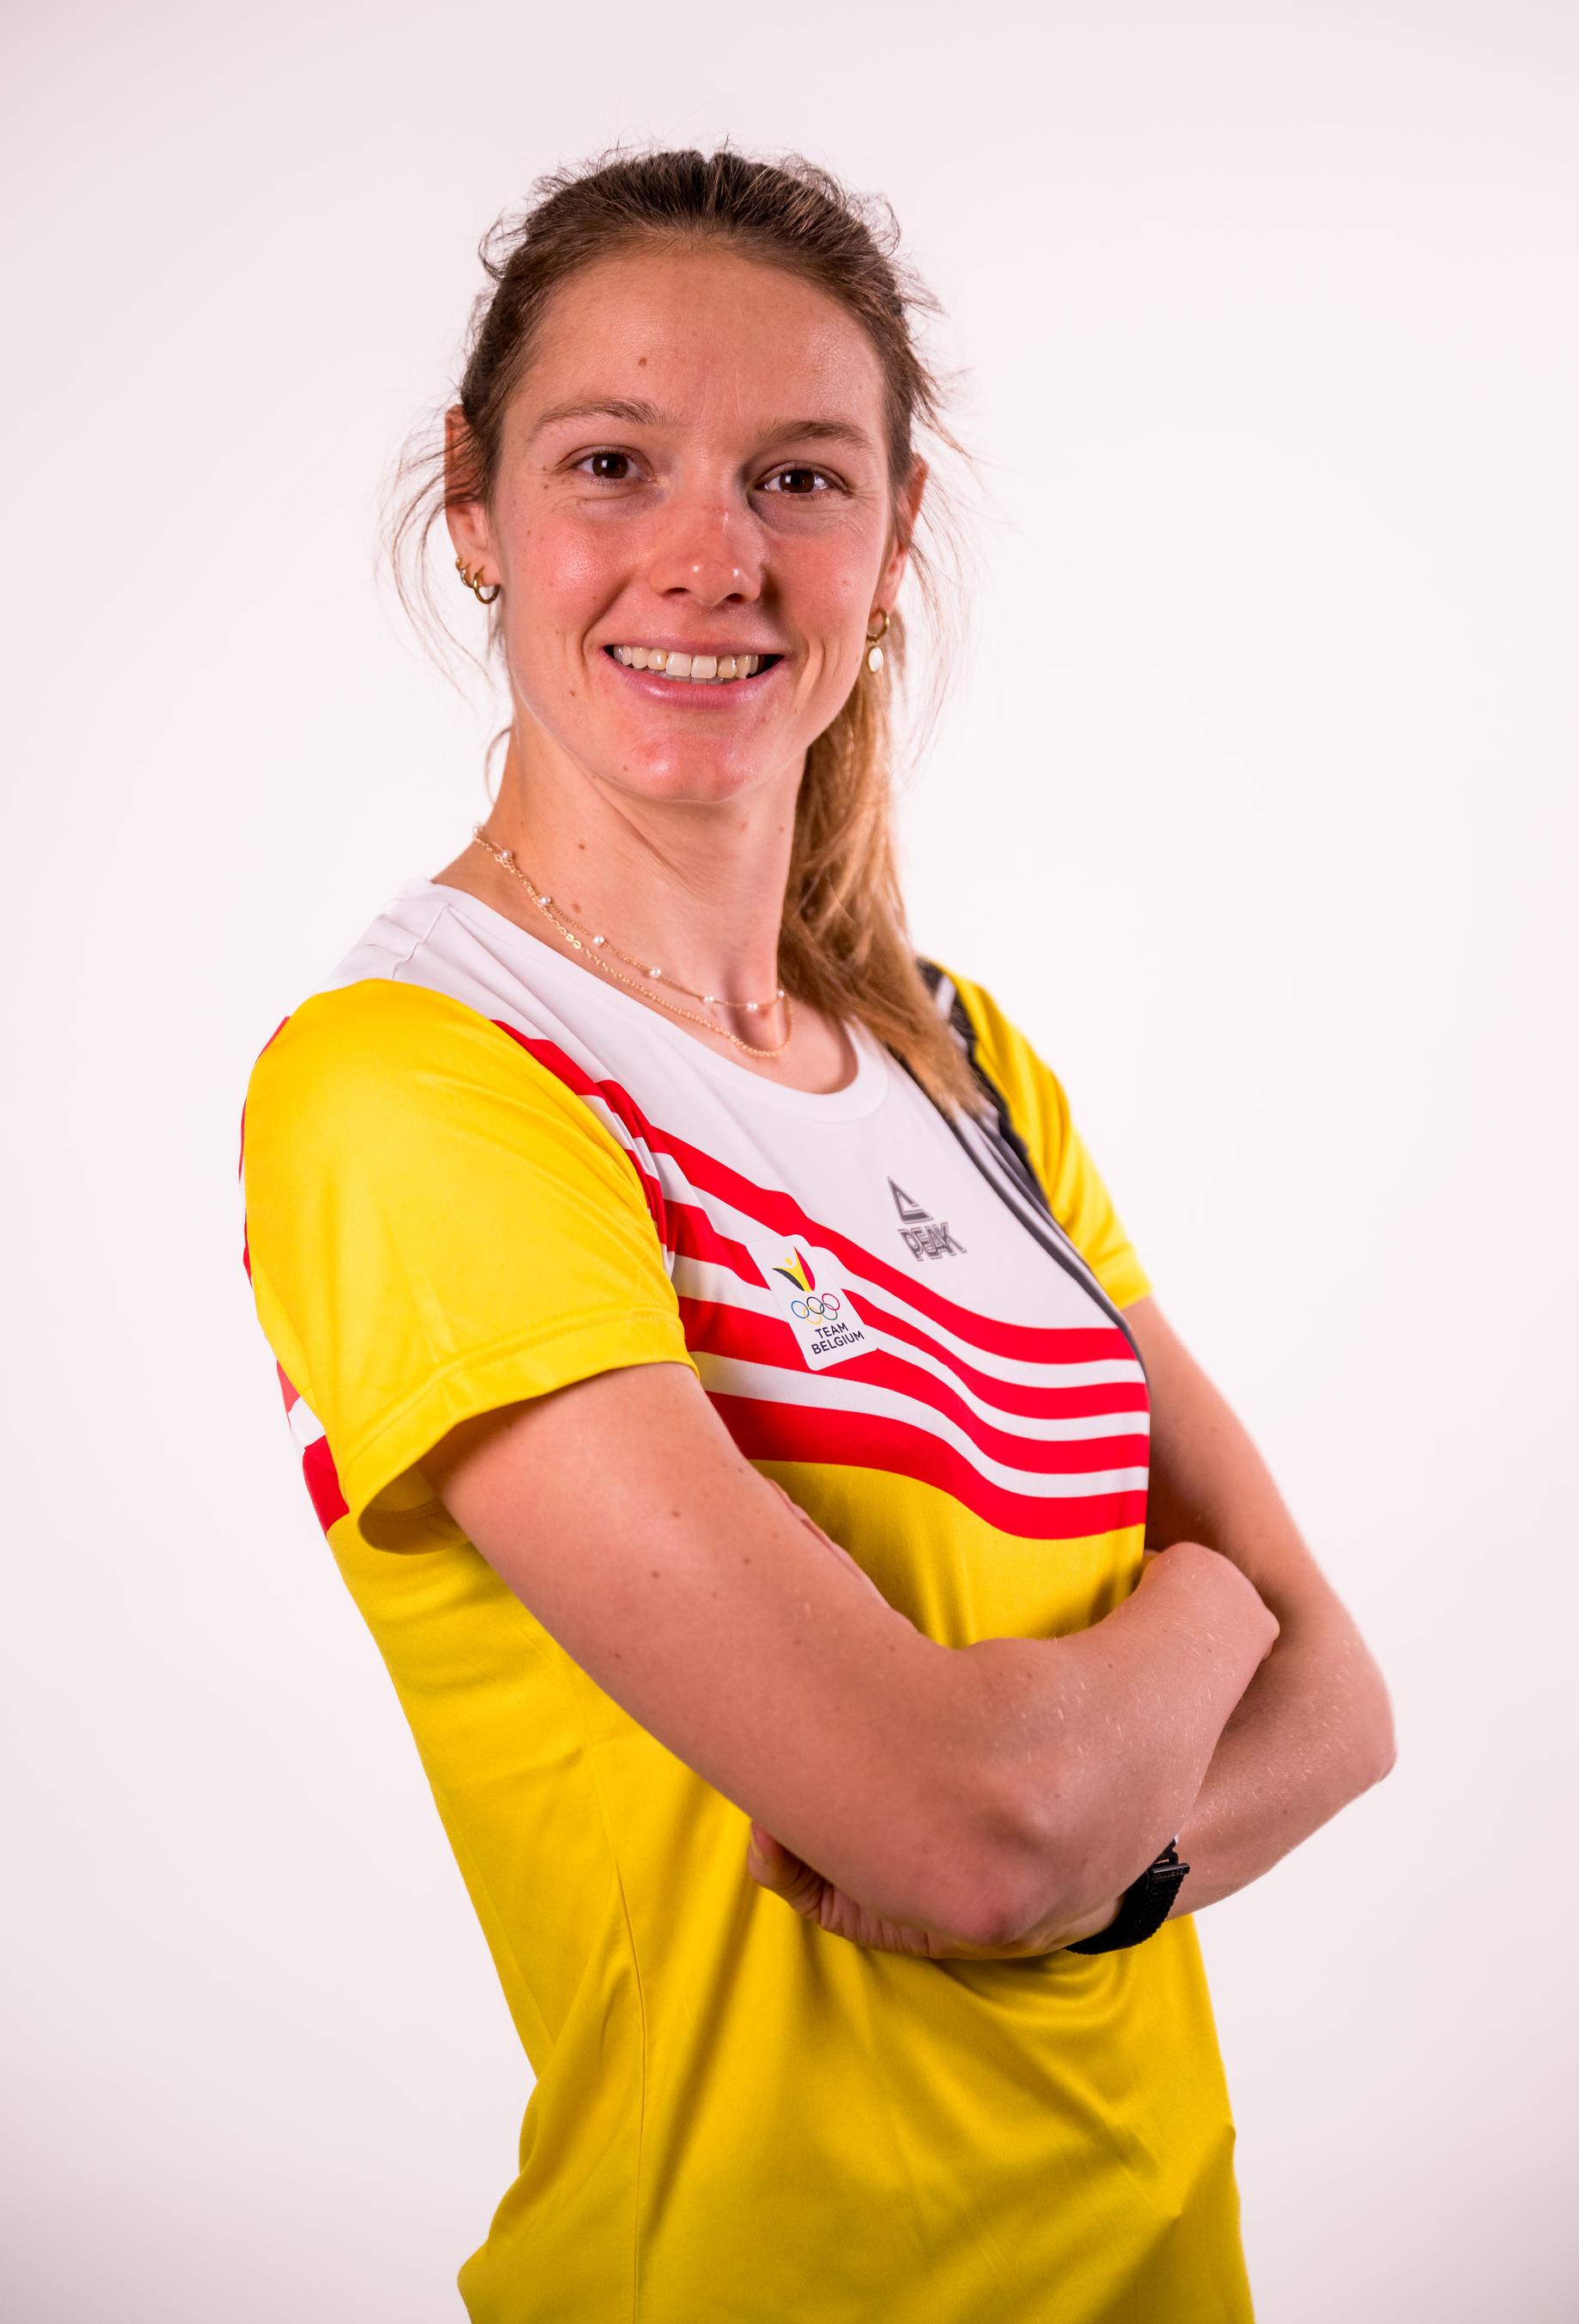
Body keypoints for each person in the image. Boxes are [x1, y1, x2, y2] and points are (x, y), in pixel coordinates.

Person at [238, 144, 1394, 2324]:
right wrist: (1208, 1604)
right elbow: (968, 1834)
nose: (711, 557)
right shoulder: (416, 1088)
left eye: (799, 478)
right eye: (613, 462)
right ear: (475, 506)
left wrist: (1085, 1848)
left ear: (893, 536)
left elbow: (1342, 1717)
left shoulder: (969, 1072)